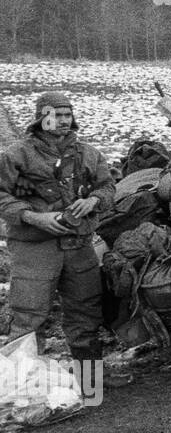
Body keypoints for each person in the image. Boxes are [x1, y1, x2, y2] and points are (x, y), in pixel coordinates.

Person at [0, 90, 123, 395]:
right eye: (56, 115)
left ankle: (91, 386)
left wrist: (93, 200)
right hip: (34, 248)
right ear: (41, 117)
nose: (64, 121)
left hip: (79, 246)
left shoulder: (88, 154)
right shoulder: (16, 155)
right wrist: (32, 217)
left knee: (85, 315)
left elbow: (108, 187)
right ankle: (21, 392)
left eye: (68, 115)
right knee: (28, 317)